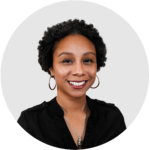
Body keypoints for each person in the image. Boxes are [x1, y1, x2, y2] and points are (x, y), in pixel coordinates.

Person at [16, 19, 132, 149]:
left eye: (87, 60)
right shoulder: (30, 122)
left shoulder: (112, 117)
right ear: (51, 68)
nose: (79, 71)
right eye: (67, 61)